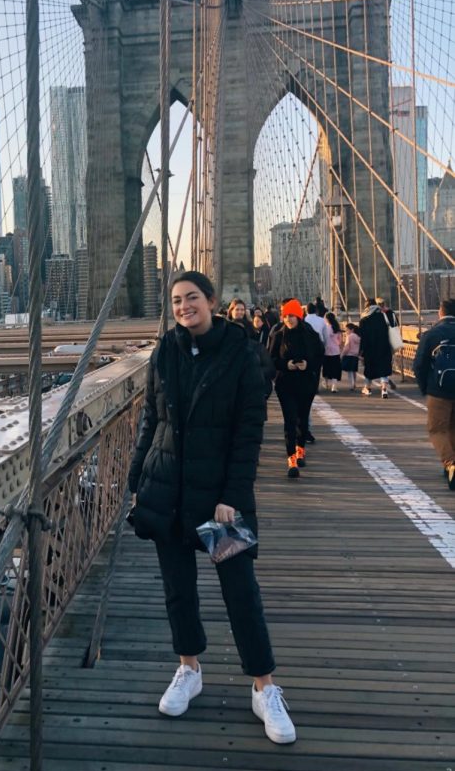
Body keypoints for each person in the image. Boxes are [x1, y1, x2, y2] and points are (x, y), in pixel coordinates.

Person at [128, 270, 296, 744]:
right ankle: (189, 669)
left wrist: (234, 496)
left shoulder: (241, 353)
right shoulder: (165, 350)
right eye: (177, 300)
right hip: (167, 492)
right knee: (178, 590)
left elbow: (249, 433)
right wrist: (137, 479)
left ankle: (264, 687)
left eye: (193, 298)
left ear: (213, 301)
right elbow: (150, 419)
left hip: (219, 501)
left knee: (240, 592)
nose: (184, 307)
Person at [268, 298, 324, 478]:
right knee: (290, 420)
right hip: (286, 384)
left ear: (299, 316)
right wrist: (286, 365)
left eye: (291, 315)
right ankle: (291, 458)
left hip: (306, 384)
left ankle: (301, 450)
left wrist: (308, 364)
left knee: (302, 419)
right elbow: (271, 360)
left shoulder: (311, 334)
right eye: (285, 316)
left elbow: (319, 357)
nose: (288, 319)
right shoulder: (278, 335)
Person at [413, 298, 455, 489]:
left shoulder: (432, 334)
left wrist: (425, 388)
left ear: (440, 312)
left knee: (437, 429)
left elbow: (419, 364)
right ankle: (449, 468)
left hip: (439, 390)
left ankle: (451, 464)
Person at [358, 298, 393, 398]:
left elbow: (362, 335)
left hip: (370, 347)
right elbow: (392, 326)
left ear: (367, 306)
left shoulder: (364, 318)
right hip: (384, 346)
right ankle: (384, 389)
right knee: (383, 367)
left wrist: (361, 350)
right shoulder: (384, 315)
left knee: (369, 368)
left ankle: (368, 388)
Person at [377, 297, 399, 390]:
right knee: (387, 363)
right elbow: (396, 325)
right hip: (391, 341)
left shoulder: (376, 315)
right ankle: (386, 380)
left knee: (380, 364)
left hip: (379, 342)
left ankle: (384, 383)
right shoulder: (392, 313)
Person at [322, 311, 343, 392]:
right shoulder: (337, 328)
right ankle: (334, 386)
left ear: (327, 319)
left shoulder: (325, 328)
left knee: (326, 368)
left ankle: (326, 383)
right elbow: (340, 341)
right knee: (335, 369)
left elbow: (323, 339)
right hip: (335, 351)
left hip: (326, 351)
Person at [341, 322, 361, 391]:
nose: (346, 331)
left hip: (349, 355)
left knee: (350, 372)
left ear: (351, 329)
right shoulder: (357, 336)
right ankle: (354, 383)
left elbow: (347, 347)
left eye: (347, 330)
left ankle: (352, 385)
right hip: (355, 355)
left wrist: (342, 354)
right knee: (353, 371)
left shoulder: (349, 336)